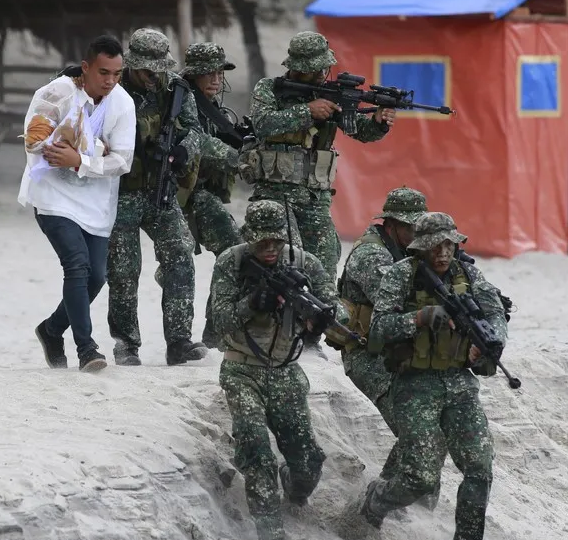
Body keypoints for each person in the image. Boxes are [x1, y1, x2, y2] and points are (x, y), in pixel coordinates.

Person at [358, 212, 508, 540]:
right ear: (420, 247)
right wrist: (422, 317)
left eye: (449, 244)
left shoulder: (468, 274)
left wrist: (487, 341)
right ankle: (375, 502)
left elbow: (494, 313)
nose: (443, 253)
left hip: (459, 383)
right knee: (420, 477)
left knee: (479, 468)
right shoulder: (401, 275)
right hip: (415, 385)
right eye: (435, 246)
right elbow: (378, 330)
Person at [209, 200, 349, 540]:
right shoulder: (232, 263)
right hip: (242, 370)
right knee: (258, 454)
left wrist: (321, 318)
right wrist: (255, 301)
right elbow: (220, 320)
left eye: (276, 242)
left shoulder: (305, 263)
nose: (270, 249)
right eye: (262, 242)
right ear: (250, 238)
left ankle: (294, 489)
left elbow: (337, 309)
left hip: (287, 372)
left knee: (307, 463)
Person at [245, 31, 395, 354]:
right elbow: (262, 123)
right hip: (275, 195)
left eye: (320, 69)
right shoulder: (269, 90)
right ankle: (282, 332)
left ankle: (313, 334)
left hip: (314, 198)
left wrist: (380, 123)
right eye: (313, 69)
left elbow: (359, 132)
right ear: (297, 67)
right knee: (289, 260)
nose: (318, 74)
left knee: (325, 262)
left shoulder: (330, 95)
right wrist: (307, 111)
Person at [20, 35, 136, 372]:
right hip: (53, 195)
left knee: (97, 277)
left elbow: (123, 161)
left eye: (117, 74)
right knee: (77, 265)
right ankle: (87, 349)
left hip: (97, 201)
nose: (110, 81)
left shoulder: (122, 103)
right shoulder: (54, 93)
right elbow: (36, 141)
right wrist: (90, 149)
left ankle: (52, 329)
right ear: (85, 68)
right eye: (103, 72)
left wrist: (79, 158)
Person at [331, 186, 439, 507]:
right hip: (367, 352)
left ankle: (412, 499)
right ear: (391, 224)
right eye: (410, 228)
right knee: (415, 426)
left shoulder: (409, 252)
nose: (416, 234)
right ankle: (382, 501)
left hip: (397, 347)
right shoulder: (370, 255)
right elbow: (397, 303)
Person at [107, 28, 206, 367]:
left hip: (160, 192)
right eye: (147, 70)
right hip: (119, 192)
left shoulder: (176, 90)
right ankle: (126, 344)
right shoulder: (111, 88)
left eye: (157, 70)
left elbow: (195, 130)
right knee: (123, 269)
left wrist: (182, 150)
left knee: (180, 254)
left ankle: (179, 342)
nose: (153, 77)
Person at [162, 41, 246, 348]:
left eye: (219, 73)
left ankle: (215, 333)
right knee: (229, 253)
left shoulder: (217, 110)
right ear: (193, 75)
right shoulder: (182, 102)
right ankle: (201, 337)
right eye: (207, 73)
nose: (215, 79)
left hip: (203, 194)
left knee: (233, 254)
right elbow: (202, 145)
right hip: (182, 195)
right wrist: (242, 158)